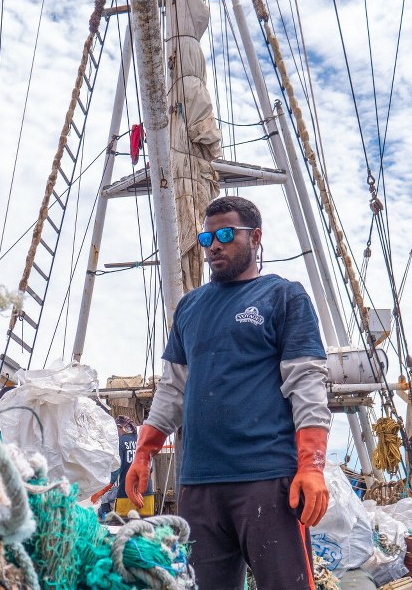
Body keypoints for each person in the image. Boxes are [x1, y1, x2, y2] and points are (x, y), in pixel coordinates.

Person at [125, 195, 332, 590]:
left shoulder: (283, 297)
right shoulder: (189, 308)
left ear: (255, 237)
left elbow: (306, 382)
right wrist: (143, 454)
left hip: (267, 481)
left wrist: (312, 465)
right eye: (207, 238)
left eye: (225, 235)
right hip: (198, 486)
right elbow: (173, 388)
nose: (214, 246)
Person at [91, 415, 145, 520]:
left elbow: (115, 471)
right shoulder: (141, 440)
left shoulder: (120, 442)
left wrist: (100, 493)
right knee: (145, 527)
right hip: (147, 493)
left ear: (121, 427)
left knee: (124, 527)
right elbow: (150, 468)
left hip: (127, 495)